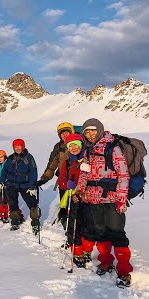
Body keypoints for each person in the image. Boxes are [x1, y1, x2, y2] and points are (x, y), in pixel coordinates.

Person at [74, 118, 132, 287]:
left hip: (112, 199)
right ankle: (106, 262)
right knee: (100, 232)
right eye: (86, 132)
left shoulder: (113, 148)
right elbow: (84, 174)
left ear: (99, 129)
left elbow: (123, 175)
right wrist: (79, 190)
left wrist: (121, 200)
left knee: (117, 234)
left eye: (93, 130)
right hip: (93, 199)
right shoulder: (88, 151)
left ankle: (124, 271)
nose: (90, 134)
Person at [59, 133, 95, 268]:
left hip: (89, 197)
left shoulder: (89, 160)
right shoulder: (67, 163)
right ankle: (77, 252)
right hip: (73, 198)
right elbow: (61, 181)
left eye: (76, 144)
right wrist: (67, 185)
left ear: (81, 145)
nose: (73, 148)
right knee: (74, 226)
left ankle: (87, 251)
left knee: (89, 226)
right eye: (70, 146)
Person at [36, 122, 75, 229]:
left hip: (78, 181)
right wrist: (44, 179)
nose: (64, 135)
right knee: (64, 205)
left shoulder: (79, 144)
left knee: (76, 207)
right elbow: (52, 165)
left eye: (66, 132)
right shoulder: (58, 147)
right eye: (62, 133)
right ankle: (67, 227)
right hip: (63, 181)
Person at [0, 139, 40, 233]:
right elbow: (4, 170)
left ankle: (35, 222)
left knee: (32, 203)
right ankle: (15, 221)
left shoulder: (29, 158)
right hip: (11, 184)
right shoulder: (10, 158)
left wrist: (32, 186)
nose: (17, 148)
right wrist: (1, 181)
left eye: (19, 146)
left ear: (23, 146)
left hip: (25, 184)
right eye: (15, 146)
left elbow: (33, 172)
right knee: (12, 203)